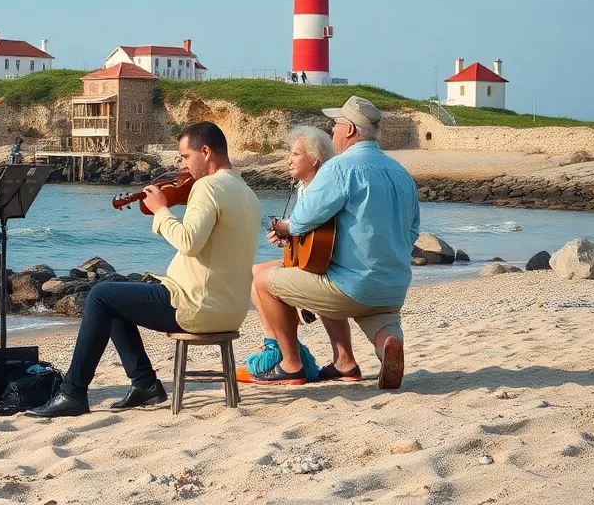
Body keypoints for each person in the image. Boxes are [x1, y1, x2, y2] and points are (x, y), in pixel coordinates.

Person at [27, 122, 261, 417]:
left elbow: (189, 242)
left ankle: (73, 393)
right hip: (231, 307)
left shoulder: (208, 187)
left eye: (185, 157)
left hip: (197, 304)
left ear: (205, 151)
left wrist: (162, 209)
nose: (183, 166)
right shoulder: (246, 192)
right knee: (114, 299)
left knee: (100, 295)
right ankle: (145, 385)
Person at [251, 96, 419, 389]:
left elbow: (302, 219)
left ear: (351, 130)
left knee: (263, 279)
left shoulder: (340, 168)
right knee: (382, 324)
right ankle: (385, 345)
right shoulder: (401, 172)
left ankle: (291, 366)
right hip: (393, 285)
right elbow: (414, 230)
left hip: (352, 287)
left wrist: (284, 227)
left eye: (336, 126)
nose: (332, 133)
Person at [246, 126, 336, 378]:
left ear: (315, 158)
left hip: (324, 265)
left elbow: (321, 231)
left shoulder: (321, 189)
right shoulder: (303, 188)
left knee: (259, 277)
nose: (288, 159)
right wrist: (286, 239)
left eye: (295, 154)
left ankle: (284, 351)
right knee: (254, 273)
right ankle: (279, 344)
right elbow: (310, 234)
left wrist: (290, 230)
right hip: (312, 260)